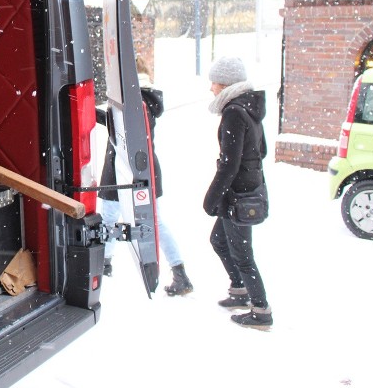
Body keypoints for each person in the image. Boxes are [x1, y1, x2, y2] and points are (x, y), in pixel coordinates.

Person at [98, 56, 193, 296]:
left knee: (119, 219)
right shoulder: (141, 100)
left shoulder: (135, 102)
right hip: (139, 168)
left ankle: (106, 266)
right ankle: (178, 270)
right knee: (150, 220)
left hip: (127, 169)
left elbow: (124, 131)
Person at [203, 56, 272, 329]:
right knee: (219, 241)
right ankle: (240, 290)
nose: (211, 88)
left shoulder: (235, 112)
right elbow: (261, 150)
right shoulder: (249, 108)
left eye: (215, 82)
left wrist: (211, 198)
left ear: (227, 83)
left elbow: (229, 164)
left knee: (243, 254)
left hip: (238, 193)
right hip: (245, 189)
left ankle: (261, 311)